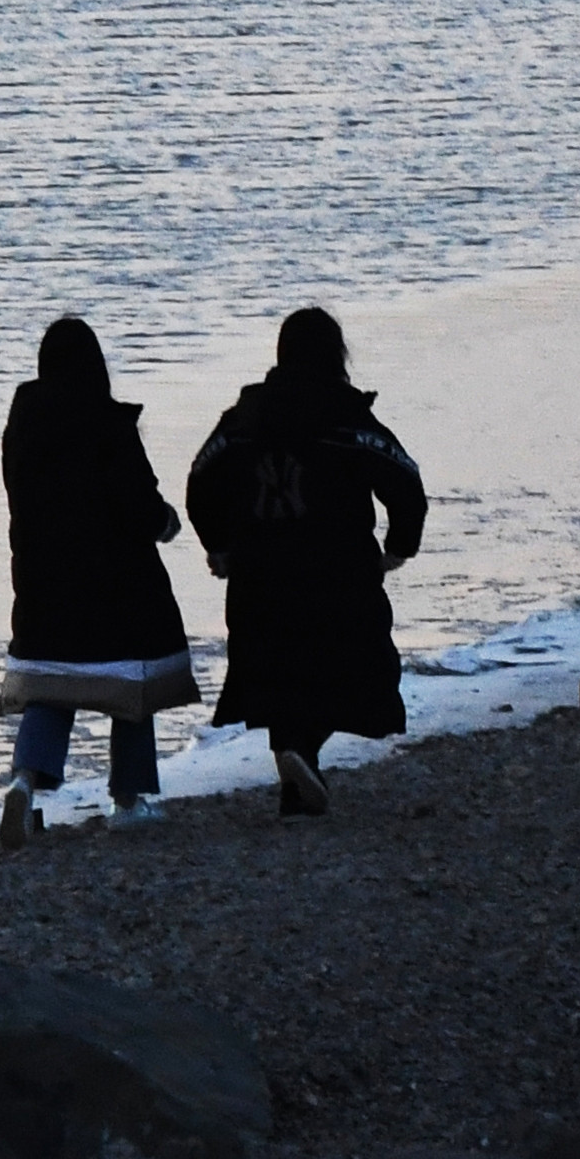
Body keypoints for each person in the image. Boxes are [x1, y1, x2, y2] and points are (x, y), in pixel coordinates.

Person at [187, 304, 428, 818]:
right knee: (358, 670)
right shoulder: (346, 417)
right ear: (335, 356)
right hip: (337, 574)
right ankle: (300, 757)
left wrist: (220, 544)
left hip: (258, 575)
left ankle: (296, 775)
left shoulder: (243, 419)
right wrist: (399, 548)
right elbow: (405, 483)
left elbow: (200, 480)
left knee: (278, 673)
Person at [0, 314, 197, 845]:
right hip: (113, 589)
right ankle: (129, 799)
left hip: (41, 586)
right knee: (132, 682)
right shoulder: (109, 425)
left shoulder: (22, 428)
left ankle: (23, 783)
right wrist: (166, 522)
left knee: (52, 685)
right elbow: (136, 502)